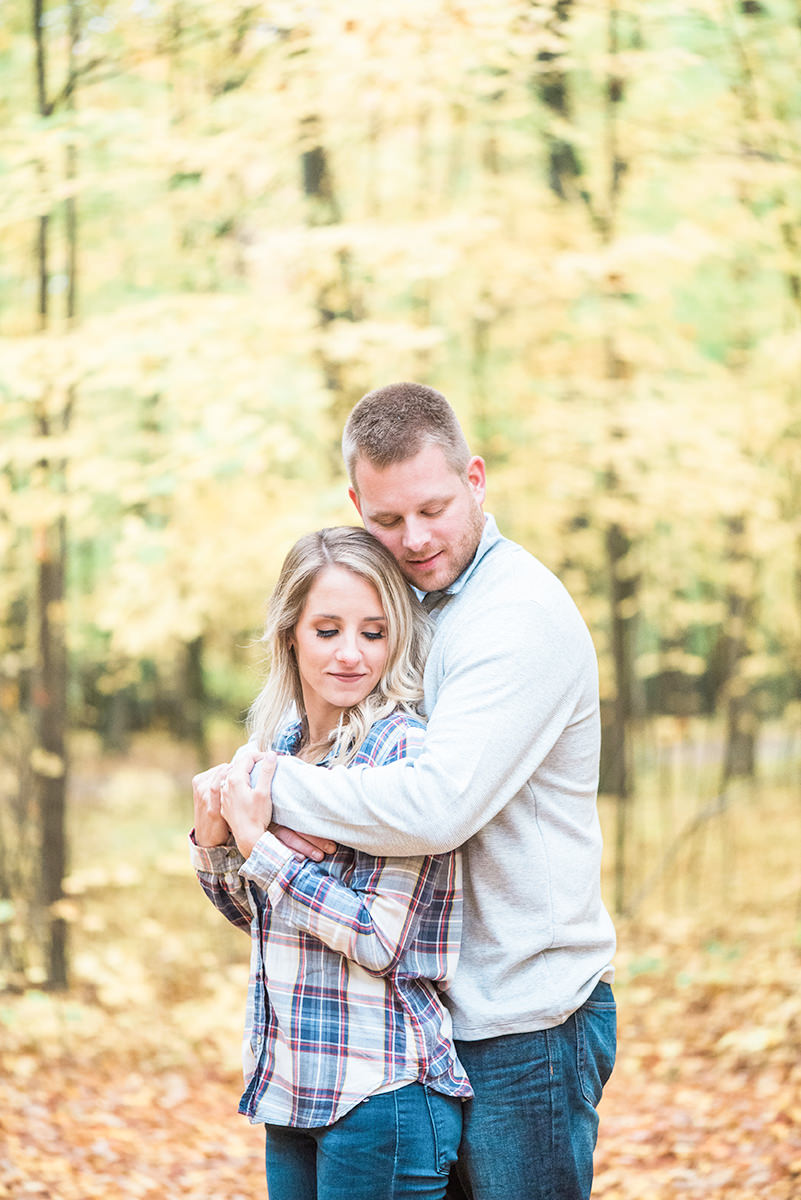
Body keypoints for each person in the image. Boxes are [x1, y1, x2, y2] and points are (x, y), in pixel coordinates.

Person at [225, 382, 617, 1200]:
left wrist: (260, 789)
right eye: (388, 519)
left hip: (523, 1022)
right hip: (424, 1025)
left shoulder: (514, 616)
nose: (414, 538)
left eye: (434, 509)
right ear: (354, 502)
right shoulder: (408, 605)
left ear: (475, 479)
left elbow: (434, 807)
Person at [190, 526, 472, 1200]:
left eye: (373, 633)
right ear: (290, 633)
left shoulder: (403, 755)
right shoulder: (277, 747)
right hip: (290, 1089)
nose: (350, 654)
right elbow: (256, 916)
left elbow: (379, 938)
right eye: (327, 630)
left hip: (380, 1097)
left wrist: (263, 846)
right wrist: (214, 843)